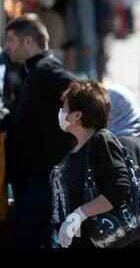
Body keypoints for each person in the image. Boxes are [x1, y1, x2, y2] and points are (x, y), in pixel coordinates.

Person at [3, 14, 78, 248]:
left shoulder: (48, 70)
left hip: (41, 180)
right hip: (33, 180)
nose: (6, 47)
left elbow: (81, 91)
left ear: (28, 42)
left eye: (11, 40)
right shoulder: (35, 71)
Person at [51, 80, 130, 248]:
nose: (61, 113)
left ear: (77, 115)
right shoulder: (76, 146)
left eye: (64, 109)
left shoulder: (101, 141)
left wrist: (80, 214)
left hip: (99, 240)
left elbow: (120, 187)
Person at [63, 0, 98, 80]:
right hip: (79, 44)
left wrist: (87, 44)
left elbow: (86, 20)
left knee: (84, 76)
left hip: (82, 45)